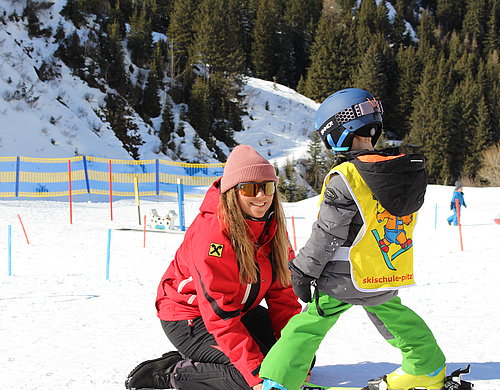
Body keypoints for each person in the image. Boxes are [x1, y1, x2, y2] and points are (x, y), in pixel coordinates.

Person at [259, 88, 446, 390]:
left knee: (307, 326)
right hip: (386, 270)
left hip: (344, 275)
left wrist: (304, 270)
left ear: (337, 132)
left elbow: (328, 232)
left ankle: (278, 381)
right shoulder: (396, 171)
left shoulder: (347, 175)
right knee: (396, 317)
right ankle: (428, 366)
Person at [125, 144, 301, 390]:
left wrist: (296, 360)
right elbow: (219, 315)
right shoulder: (213, 234)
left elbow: (284, 298)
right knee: (250, 377)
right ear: (232, 192)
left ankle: (207, 360)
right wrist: (257, 377)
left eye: (268, 187)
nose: (261, 196)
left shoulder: (272, 227)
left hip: (237, 310)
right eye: (250, 188)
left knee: (290, 362)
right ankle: (170, 373)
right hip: (191, 318)